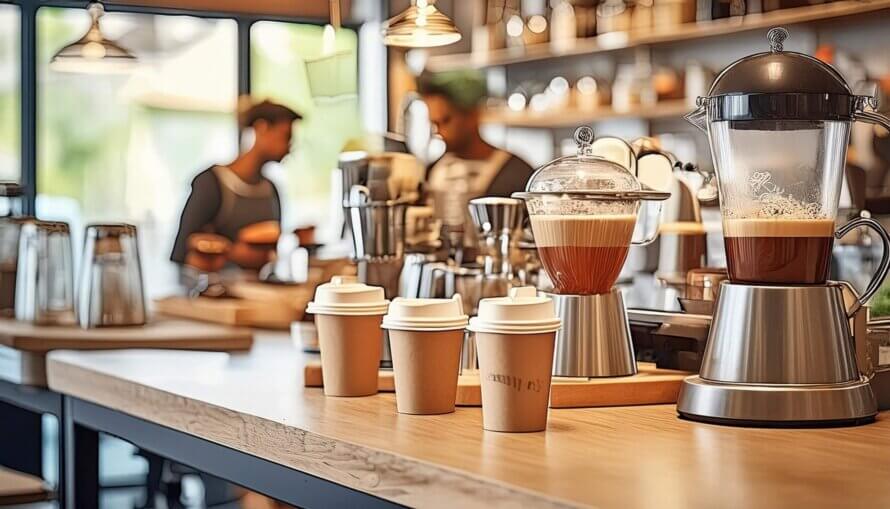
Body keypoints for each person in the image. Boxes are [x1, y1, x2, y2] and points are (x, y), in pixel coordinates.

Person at [171, 99, 301, 270]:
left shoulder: (271, 190)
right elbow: (181, 254)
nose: (289, 147)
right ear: (262, 128)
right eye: (286, 137)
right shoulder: (211, 183)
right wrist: (231, 253)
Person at [417, 70, 535, 254]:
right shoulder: (432, 170)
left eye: (446, 121)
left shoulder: (518, 174)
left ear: (473, 116)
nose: (439, 133)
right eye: (434, 124)